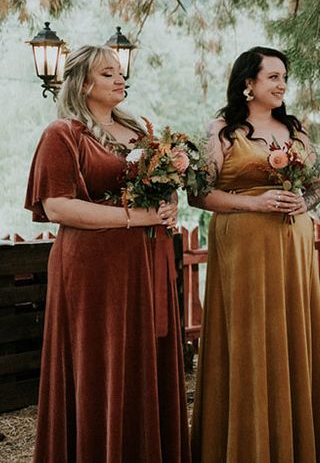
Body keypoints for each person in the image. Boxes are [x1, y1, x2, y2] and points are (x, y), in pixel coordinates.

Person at [24, 45, 189, 463]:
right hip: (92, 271)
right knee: (99, 361)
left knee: (142, 362)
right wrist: (137, 217)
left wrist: (168, 206)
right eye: (107, 74)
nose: (120, 79)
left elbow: (159, 192)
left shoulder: (139, 134)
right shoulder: (63, 134)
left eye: (120, 72)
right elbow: (57, 206)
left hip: (146, 265)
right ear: (83, 83)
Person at [190, 46, 320, 463]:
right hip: (244, 248)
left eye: (284, 76)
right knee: (250, 338)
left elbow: (318, 184)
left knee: (290, 336)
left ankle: (295, 445)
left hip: (293, 247)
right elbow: (198, 193)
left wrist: (303, 202)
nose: (282, 84)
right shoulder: (221, 132)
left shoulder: (295, 129)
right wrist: (253, 204)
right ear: (248, 84)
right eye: (273, 76)